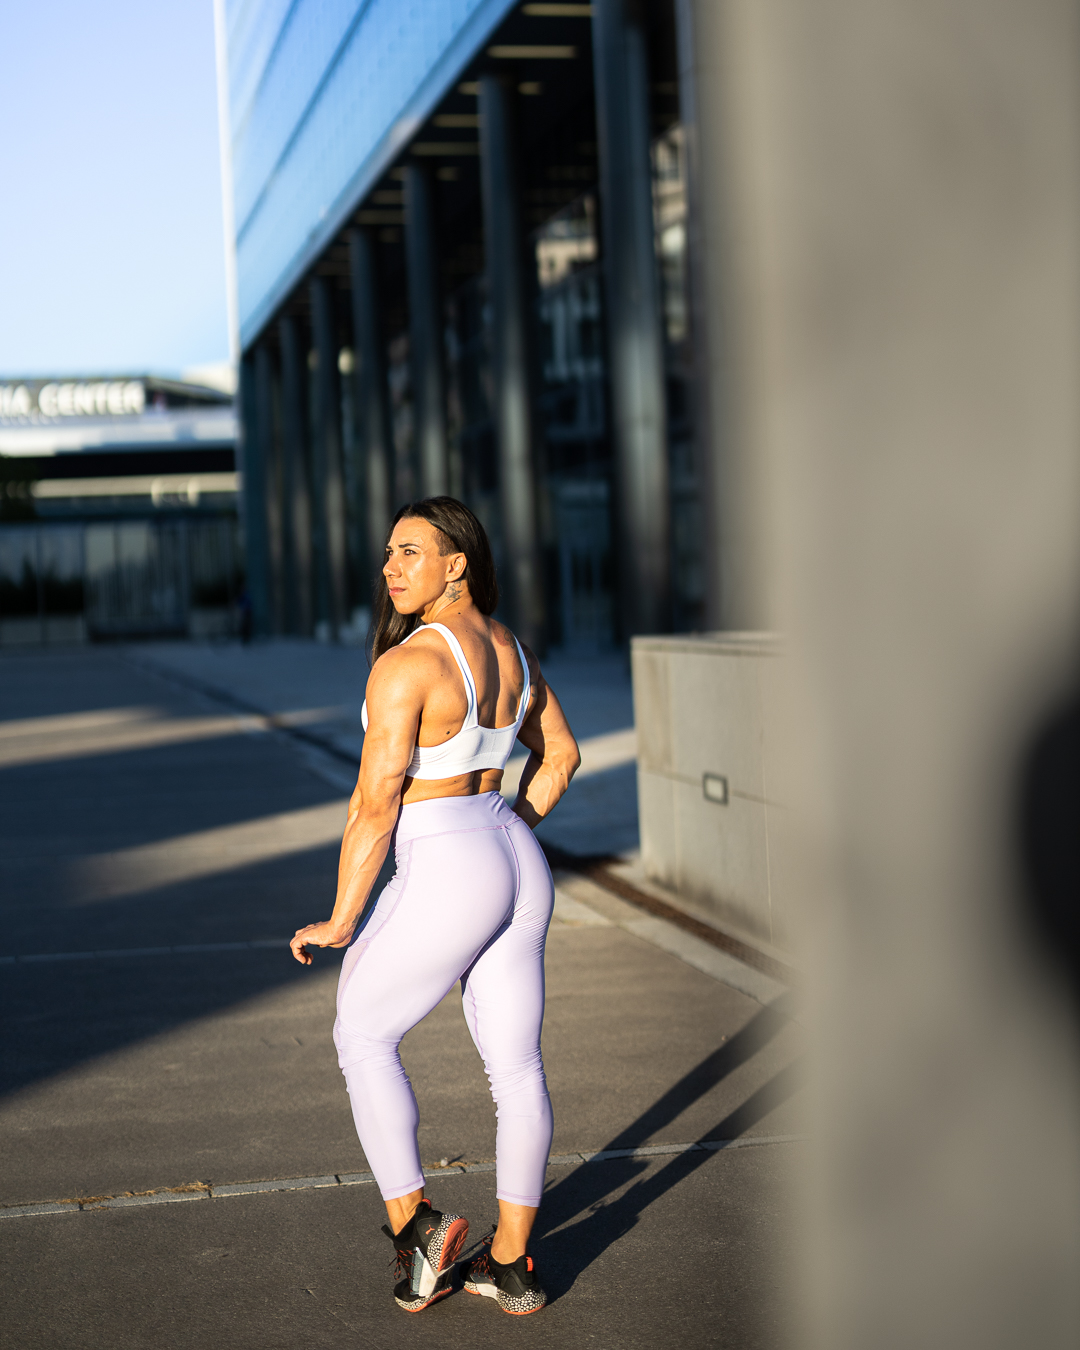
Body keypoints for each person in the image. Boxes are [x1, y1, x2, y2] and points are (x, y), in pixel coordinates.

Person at [290, 497, 580, 1315]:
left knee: (362, 1033)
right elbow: (561, 756)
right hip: (516, 857)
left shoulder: (409, 663)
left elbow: (374, 804)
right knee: (517, 1068)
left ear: (457, 563)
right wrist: (503, 834)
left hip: (449, 855)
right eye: (388, 552)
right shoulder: (514, 653)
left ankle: (419, 1227)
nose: (390, 567)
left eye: (410, 552)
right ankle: (512, 1264)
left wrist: (342, 919)